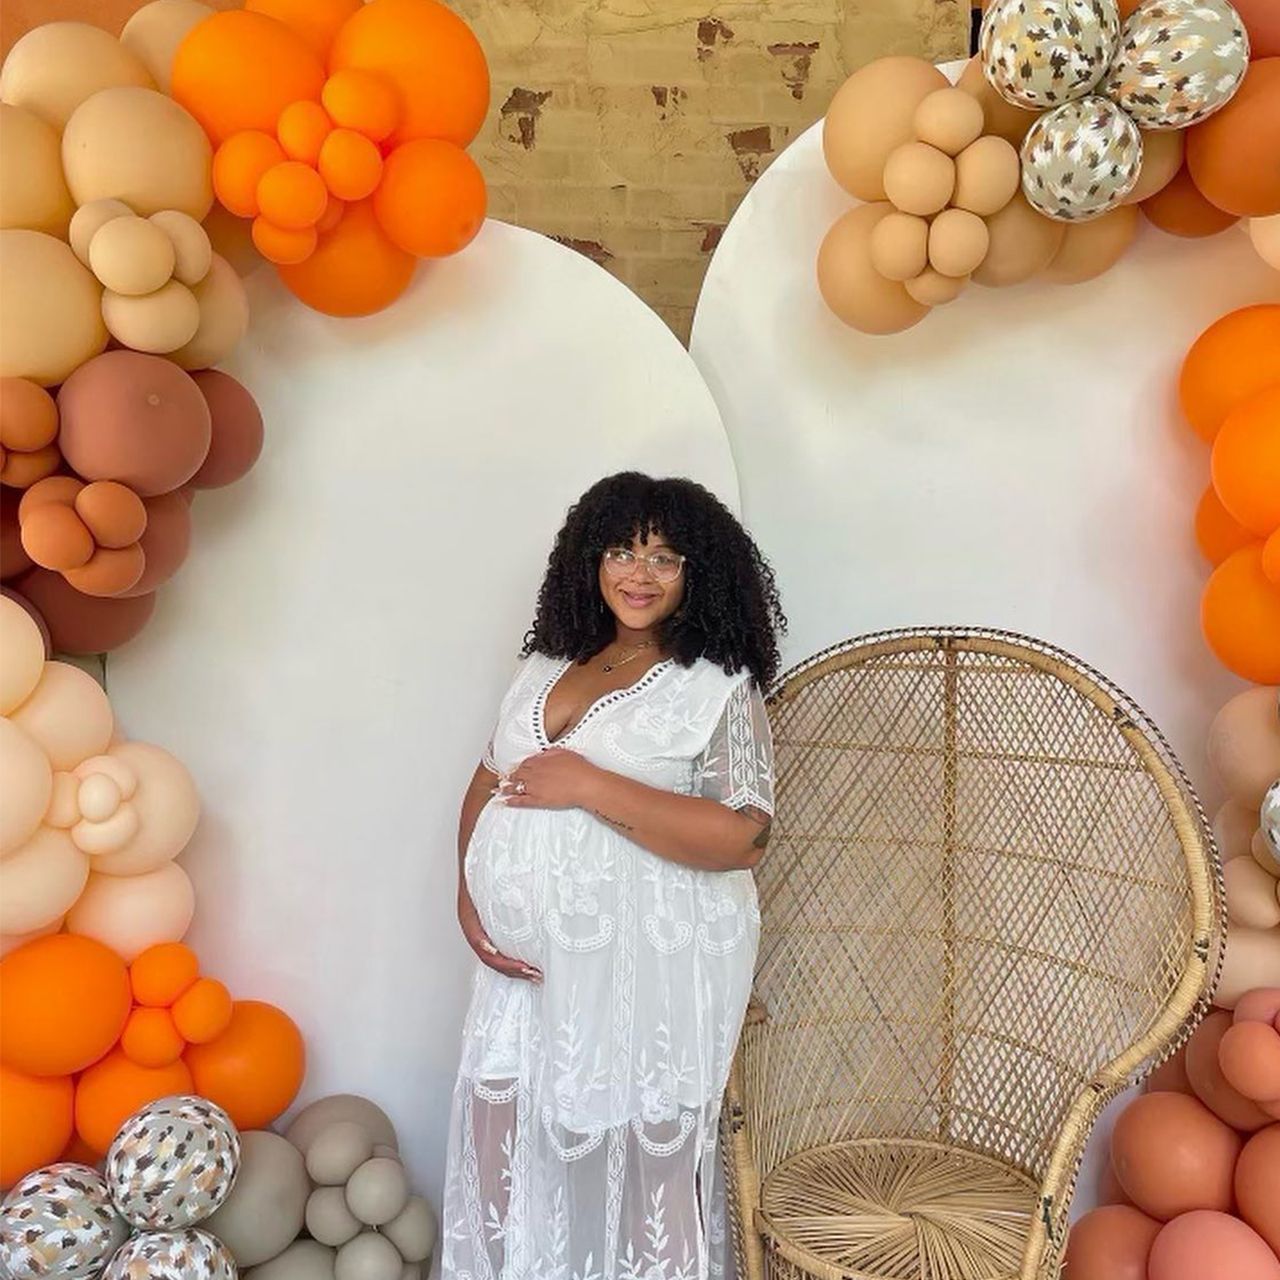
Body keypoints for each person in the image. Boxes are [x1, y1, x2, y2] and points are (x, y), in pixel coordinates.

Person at [441, 471, 785, 1280]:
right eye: (623, 551)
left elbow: (746, 836)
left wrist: (591, 785)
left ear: (699, 574)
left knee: (642, 1153)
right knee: (503, 1138)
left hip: (650, 968)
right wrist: (469, 893)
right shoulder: (547, 663)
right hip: (523, 973)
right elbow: (490, 777)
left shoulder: (717, 686)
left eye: (666, 558)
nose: (639, 572)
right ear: (589, 561)